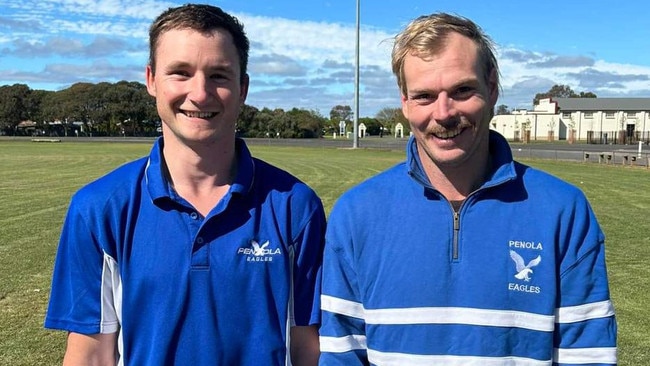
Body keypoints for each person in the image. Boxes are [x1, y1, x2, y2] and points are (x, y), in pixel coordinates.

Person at [319, 12, 617, 365]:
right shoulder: (357, 214)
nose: (444, 113)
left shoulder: (563, 210)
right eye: (425, 96)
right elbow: (342, 354)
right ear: (404, 102)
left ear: (491, 89)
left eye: (462, 90)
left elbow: (588, 355)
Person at [44, 4, 325, 365]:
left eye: (219, 75)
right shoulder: (99, 208)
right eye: (180, 72)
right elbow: (90, 353)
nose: (200, 93)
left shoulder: (295, 207)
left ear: (243, 88)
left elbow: (309, 348)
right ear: (151, 80)